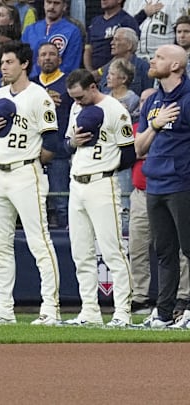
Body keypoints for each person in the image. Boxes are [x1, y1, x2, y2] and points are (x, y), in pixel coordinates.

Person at [0, 41, 61, 325]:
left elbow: (51, 142)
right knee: (0, 244)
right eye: (2, 62)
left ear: (24, 64)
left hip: (26, 172)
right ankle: (3, 310)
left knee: (39, 242)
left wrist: (33, 163)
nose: (4, 66)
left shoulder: (39, 96)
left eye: (9, 61)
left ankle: (50, 308)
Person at [62, 68, 135, 327]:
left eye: (80, 97)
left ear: (93, 87)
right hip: (77, 183)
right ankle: (89, 311)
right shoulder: (76, 108)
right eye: (73, 98)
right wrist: (72, 144)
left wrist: (107, 166)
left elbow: (129, 154)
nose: (77, 102)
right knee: (81, 252)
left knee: (112, 250)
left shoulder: (116, 110)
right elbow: (65, 144)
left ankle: (122, 313)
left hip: (102, 183)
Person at [135, 44, 190, 329]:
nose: (152, 60)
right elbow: (139, 147)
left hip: (183, 182)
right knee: (165, 251)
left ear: (176, 66)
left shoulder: (188, 99)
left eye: (159, 57)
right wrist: (155, 126)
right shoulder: (153, 101)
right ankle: (164, 313)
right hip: (155, 183)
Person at [32, 42, 72, 229]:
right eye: (43, 54)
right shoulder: (30, 84)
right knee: (36, 204)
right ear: (37, 60)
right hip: (32, 150)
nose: (47, 57)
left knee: (61, 201)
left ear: (60, 59)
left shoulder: (69, 83)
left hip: (59, 151)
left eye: (51, 54)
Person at [21, 0, 82, 78]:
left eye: (56, 3)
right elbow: (22, 61)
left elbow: (71, 65)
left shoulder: (73, 31)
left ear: (64, 6)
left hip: (60, 84)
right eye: (49, 2)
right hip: (30, 83)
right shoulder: (29, 30)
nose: (52, 7)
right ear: (44, 4)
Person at [124, 0, 189, 63]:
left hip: (163, 59)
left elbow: (181, 31)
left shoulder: (176, 1)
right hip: (134, 58)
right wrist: (143, 14)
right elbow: (124, 29)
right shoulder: (132, 2)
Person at [83, 0, 139, 71]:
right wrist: (90, 73)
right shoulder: (95, 21)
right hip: (92, 73)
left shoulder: (128, 21)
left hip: (117, 72)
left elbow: (125, 53)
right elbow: (88, 49)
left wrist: (100, 72)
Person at [97, 28, 153, 98]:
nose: (112, 43)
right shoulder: (108, 67)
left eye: (116, 40)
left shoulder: (143, 67)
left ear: (129, 45)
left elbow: (148, 96)